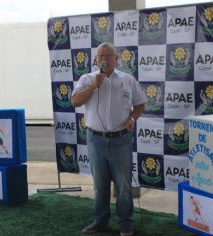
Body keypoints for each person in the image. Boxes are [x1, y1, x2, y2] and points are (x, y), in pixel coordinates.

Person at [72, 42, 146, 236]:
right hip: (95, 140)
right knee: (100, 184)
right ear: (95, 59)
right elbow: (75, 101)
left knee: (123, 185)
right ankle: (100, 221)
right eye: (100, 56)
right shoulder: (87, 79)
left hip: (120, 139)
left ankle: (125, 223)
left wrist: (132, 118)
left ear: (116, 59)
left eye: (108, 55)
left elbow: (140, 105)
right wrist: (94, 85)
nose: (104, 59)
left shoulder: (127, 80)